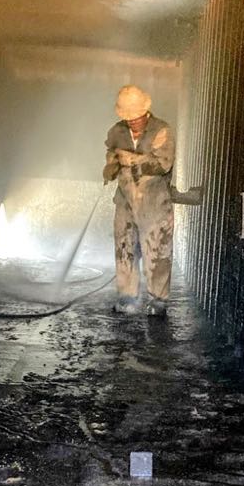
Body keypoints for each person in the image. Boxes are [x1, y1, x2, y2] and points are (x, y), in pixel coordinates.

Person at [102, 85, 175, 316]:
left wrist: (131, 160)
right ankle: (127, 296)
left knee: (157, 250)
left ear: (146, 111)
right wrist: (111, 166)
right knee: (124, 246)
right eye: (128, 118)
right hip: (125, 201)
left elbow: (163, 164)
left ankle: (158, 300)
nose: (132, 121)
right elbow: (110, 161)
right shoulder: (116, 132)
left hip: (154, 202)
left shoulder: (161, 130)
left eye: (136, 117)